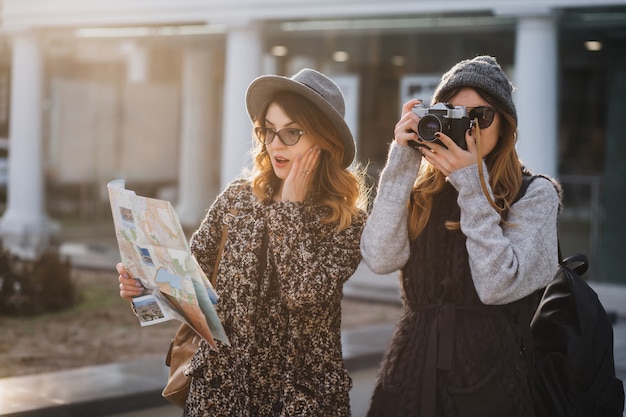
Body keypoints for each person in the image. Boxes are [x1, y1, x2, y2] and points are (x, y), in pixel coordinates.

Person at [117, 68, 368, 416]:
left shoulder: (346, 221)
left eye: (292, 132)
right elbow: (190, 284)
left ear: (325, 141)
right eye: (269, 130)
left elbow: (304, 294)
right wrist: (142, 287)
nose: (275, 143)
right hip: (220, 394)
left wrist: (289, 209)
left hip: (298, 400)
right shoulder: (237, 198)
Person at [361, 55, 561, 417]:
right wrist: (403, 163)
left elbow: (496, 286)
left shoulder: (535, 195)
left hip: (492, 382)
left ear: (504, 126)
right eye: (454, 114)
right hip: (409, 375)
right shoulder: (424, 192)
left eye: (479, 118)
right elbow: (379, 258)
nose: (467, 130)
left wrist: (472, 184)